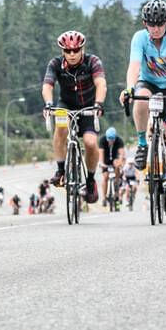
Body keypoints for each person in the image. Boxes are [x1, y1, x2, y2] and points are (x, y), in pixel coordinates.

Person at [119, 0, 166, 215]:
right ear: (145, 23)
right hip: (148, 83)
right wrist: (129, 87)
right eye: (152, 24)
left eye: (160, 24)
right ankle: (142, 143)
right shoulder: (140, 38)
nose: (156, 28)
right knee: (139, 98)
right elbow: (134, 65)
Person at [41, 30, 107, 204]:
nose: (72, 55)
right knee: (61, 127)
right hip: (66, 105)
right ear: (62, 51)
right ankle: (61, 170)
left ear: (82, 49)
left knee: (91, 143)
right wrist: (48, 104)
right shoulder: (55, 64)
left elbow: (101, 83)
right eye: (68, 51)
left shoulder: (93, 61)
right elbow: (47, 85)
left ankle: (91, 180)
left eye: (76, 51)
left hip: (88, 107)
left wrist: (99, 103)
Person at [97, 127, 125, 206]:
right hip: (106, 159)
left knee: (117, 166)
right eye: (109, 139)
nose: (111, 141)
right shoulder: (102, 140)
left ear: (115, 138)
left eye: (112, 139)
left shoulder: (119, 140)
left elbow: (121, 154)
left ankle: (116, 187)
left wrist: (120, 162)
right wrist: (101, 163)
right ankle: (104, 198)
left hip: (115, 159)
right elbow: (101, 153)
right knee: (105, 177)